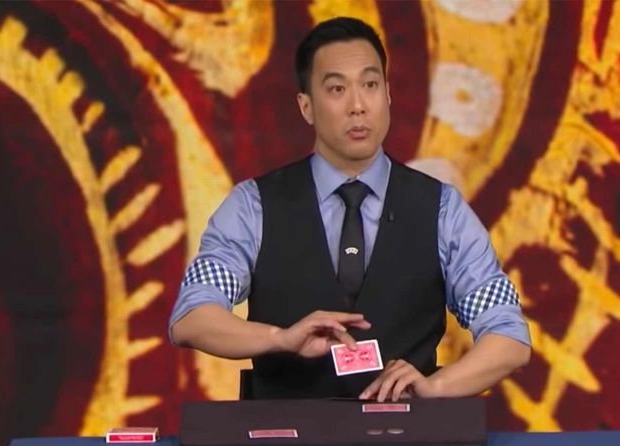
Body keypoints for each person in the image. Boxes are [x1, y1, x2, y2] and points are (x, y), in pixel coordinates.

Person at [169, 17, 530, 401]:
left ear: (387, 95)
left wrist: (436, 387)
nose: (358, 106)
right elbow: (192, 317)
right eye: (337, 89)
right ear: (306, 107)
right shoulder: (253, 206)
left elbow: (509, 335)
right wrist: (280, 338)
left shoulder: (442, 210)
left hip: (408, 434)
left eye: (370, 85)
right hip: (283, 434)